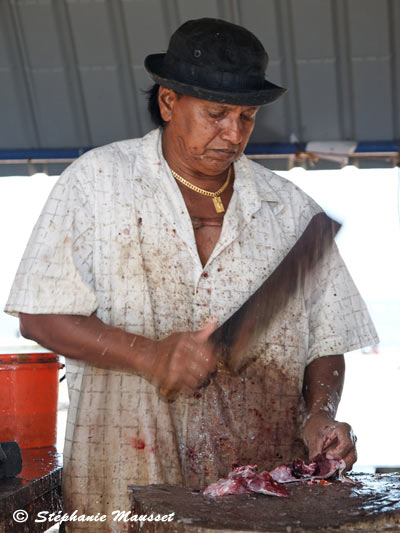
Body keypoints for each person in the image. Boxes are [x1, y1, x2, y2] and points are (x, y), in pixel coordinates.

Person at [5, 18, 378, 532]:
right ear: (167, 102)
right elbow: (39, 316)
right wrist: (150, 354)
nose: (234, 134)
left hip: (257, 497)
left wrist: (320, 412)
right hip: (124, 483)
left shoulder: (290, 211)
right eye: (217, 114)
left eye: (246, 117)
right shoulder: (96, 183)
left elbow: (327, 339)